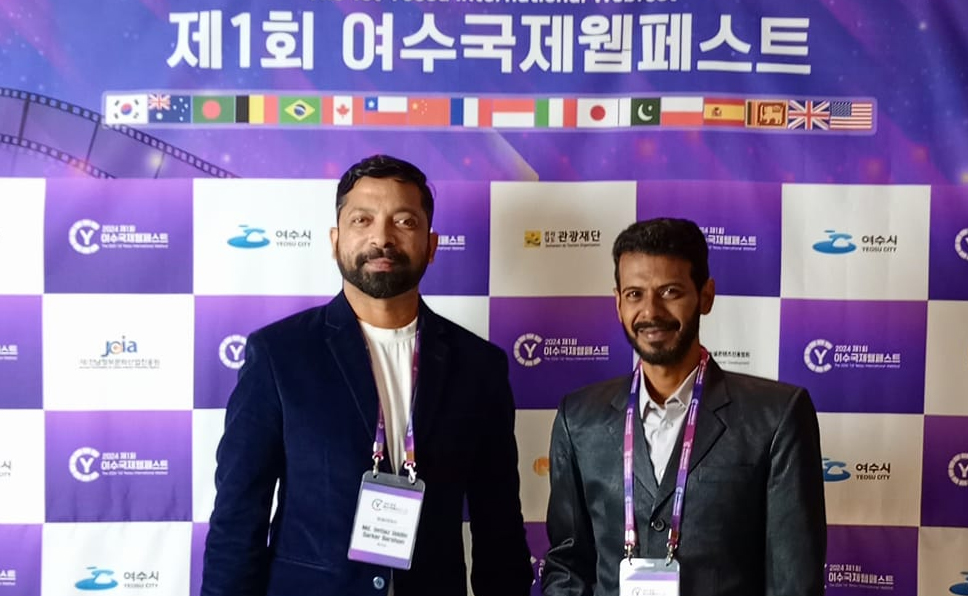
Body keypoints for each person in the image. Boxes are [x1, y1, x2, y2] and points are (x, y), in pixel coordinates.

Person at [202, 155, 533, 596]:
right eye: (363, 220)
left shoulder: (479, 366)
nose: (382, 237)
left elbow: (499, 529)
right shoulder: (279, 356)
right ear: (335, 240)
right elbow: (238, 519)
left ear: (432, 245)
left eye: (404, 222)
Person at [542, 218, 826, 596]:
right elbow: (568, 566)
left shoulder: (776, 417)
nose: (651, 311)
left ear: (705, 296)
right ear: (618, 302)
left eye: (670, 291)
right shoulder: (578, 418)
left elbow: (794, 581)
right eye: (634, 294)